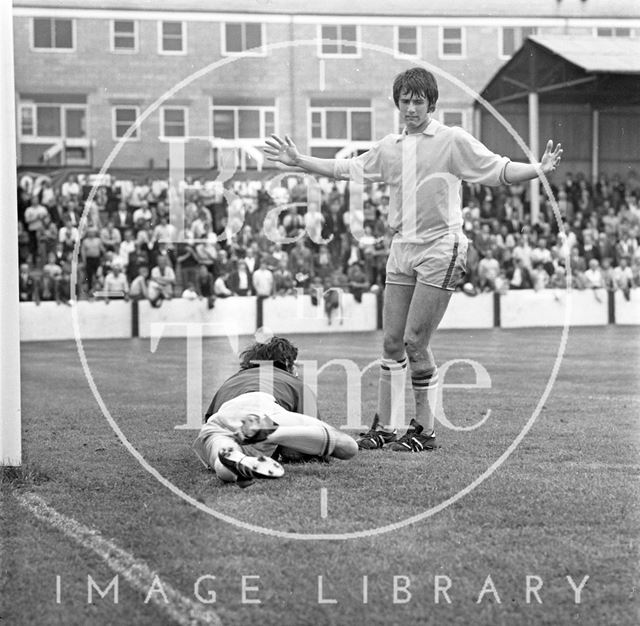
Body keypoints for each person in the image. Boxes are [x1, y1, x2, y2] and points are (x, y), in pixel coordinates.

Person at [265, 66, 562, 452]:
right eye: (404, 101)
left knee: (414, 341)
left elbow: (497, 169)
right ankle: (385, 427)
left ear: (431, 104)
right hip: (402, 246)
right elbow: (346, 169)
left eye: (417, 101)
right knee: (391, 343)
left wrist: (537, 169)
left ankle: (424, 429)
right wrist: (299, 160)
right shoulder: (391, 147)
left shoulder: (451, 139)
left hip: (442, 245)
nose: (410, 108)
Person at [193, 336, 358, 487]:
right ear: (288, 364)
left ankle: (234, 460)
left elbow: (208, 421)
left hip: (222, 416)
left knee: (221, 456)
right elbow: (302, 449)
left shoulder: (231, 381)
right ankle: (271, 432)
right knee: (347, 446)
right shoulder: (294, 382)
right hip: (267, 409)